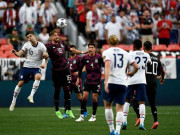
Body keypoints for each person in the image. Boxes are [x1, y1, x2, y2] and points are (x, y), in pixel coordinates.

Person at [45, 30, 87, 119]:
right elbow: (44, 54)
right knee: (57, 90)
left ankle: (68, 109)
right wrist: (43, 57)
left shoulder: (62, 43)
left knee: (67, 89)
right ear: (51, 37)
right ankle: (57, 110)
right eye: (55, 35)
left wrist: (83, 52)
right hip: (56, 71)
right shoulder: (48, 46)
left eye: (57, 35)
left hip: (65, 69)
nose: (57, 36)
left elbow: (71, 49)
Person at [102, 35, 139, 135]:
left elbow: (107, 65)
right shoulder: (125, 53)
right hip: (122, 83)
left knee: (108, 106)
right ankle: (118, 131)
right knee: (120, 108)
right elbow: (136, 66)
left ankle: (111, 130)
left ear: (109, 42)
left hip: (111, 82)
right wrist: (132, 73)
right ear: (118, 42)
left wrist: (106, 82)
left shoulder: (106, 52)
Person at [9, 31, 48, 111]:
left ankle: (31, 95)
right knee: (20, 83)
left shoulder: (41, 46)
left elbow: (47, 56)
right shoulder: (27, 44)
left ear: (34, 35)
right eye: (28, 37)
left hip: (36, 67)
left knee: (38, 76)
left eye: (30, 36)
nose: (29, 38)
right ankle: (13, 101)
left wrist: (45, 64)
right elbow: (19, 54)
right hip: (27, 66)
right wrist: (15, 52)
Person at [132, 41, 166, 129]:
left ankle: (139, 117)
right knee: (152, 103)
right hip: (154, 82)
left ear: (143, 47)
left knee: (135, 99)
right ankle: (155, 121)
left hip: (143, 81)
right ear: (151, 47)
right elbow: (163, 71)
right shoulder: (156, 58)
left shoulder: (142, 56)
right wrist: (162, 79)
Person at [122, 39, 151, 130]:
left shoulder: (130, 54)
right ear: (141, 46)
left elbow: (126, 65)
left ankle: (124, 122)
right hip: (142, 81)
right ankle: (142, 124)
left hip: (130, 81)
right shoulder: (147, 55)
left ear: (133, 46)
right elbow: (149, 63)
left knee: (127, 100)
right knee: (141, 102)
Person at [75, 43, 104, 122]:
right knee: (84, 97)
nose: (90, 49)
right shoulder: (84, 58)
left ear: (95, 49)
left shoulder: (99, 57)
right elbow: (80, 69)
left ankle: (93, 116)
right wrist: (78, 79)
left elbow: (105, 66)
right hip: (88, 80)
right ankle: (81, 116)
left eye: (92, 47)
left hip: (97, 81)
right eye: (89, 47)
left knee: (94, 98)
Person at [63, 45, 86, 118]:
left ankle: (84, 110)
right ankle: (66, 112)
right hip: (69, 80)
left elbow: (85, 68)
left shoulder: (79, 58)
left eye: (73, 50)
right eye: (71, 50)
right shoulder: (67, 59)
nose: (72, 51)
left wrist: (78, 72)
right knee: (67, 95)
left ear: (75, 50)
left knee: (79, 96)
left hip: (77, 79)